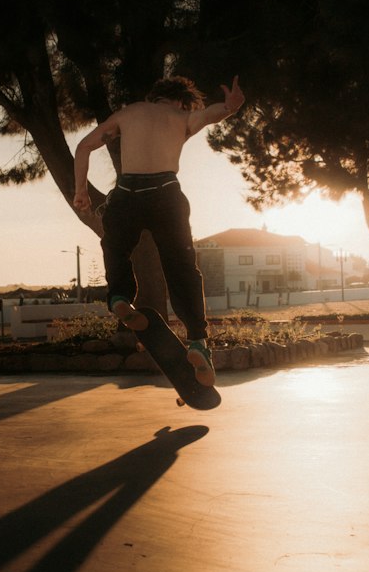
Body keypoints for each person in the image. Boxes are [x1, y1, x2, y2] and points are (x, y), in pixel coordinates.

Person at [73, 74, 245, 385]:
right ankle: (197, 341)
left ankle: (120, 298)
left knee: (116, 247)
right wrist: (229, 108)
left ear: (154, 97)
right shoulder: (181, 116)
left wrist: (80, 190)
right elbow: (210, 114)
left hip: (126, 194)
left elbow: (84, 146)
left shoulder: (127, 113)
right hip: (166, 191)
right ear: (181, 101)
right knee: (182, 268)